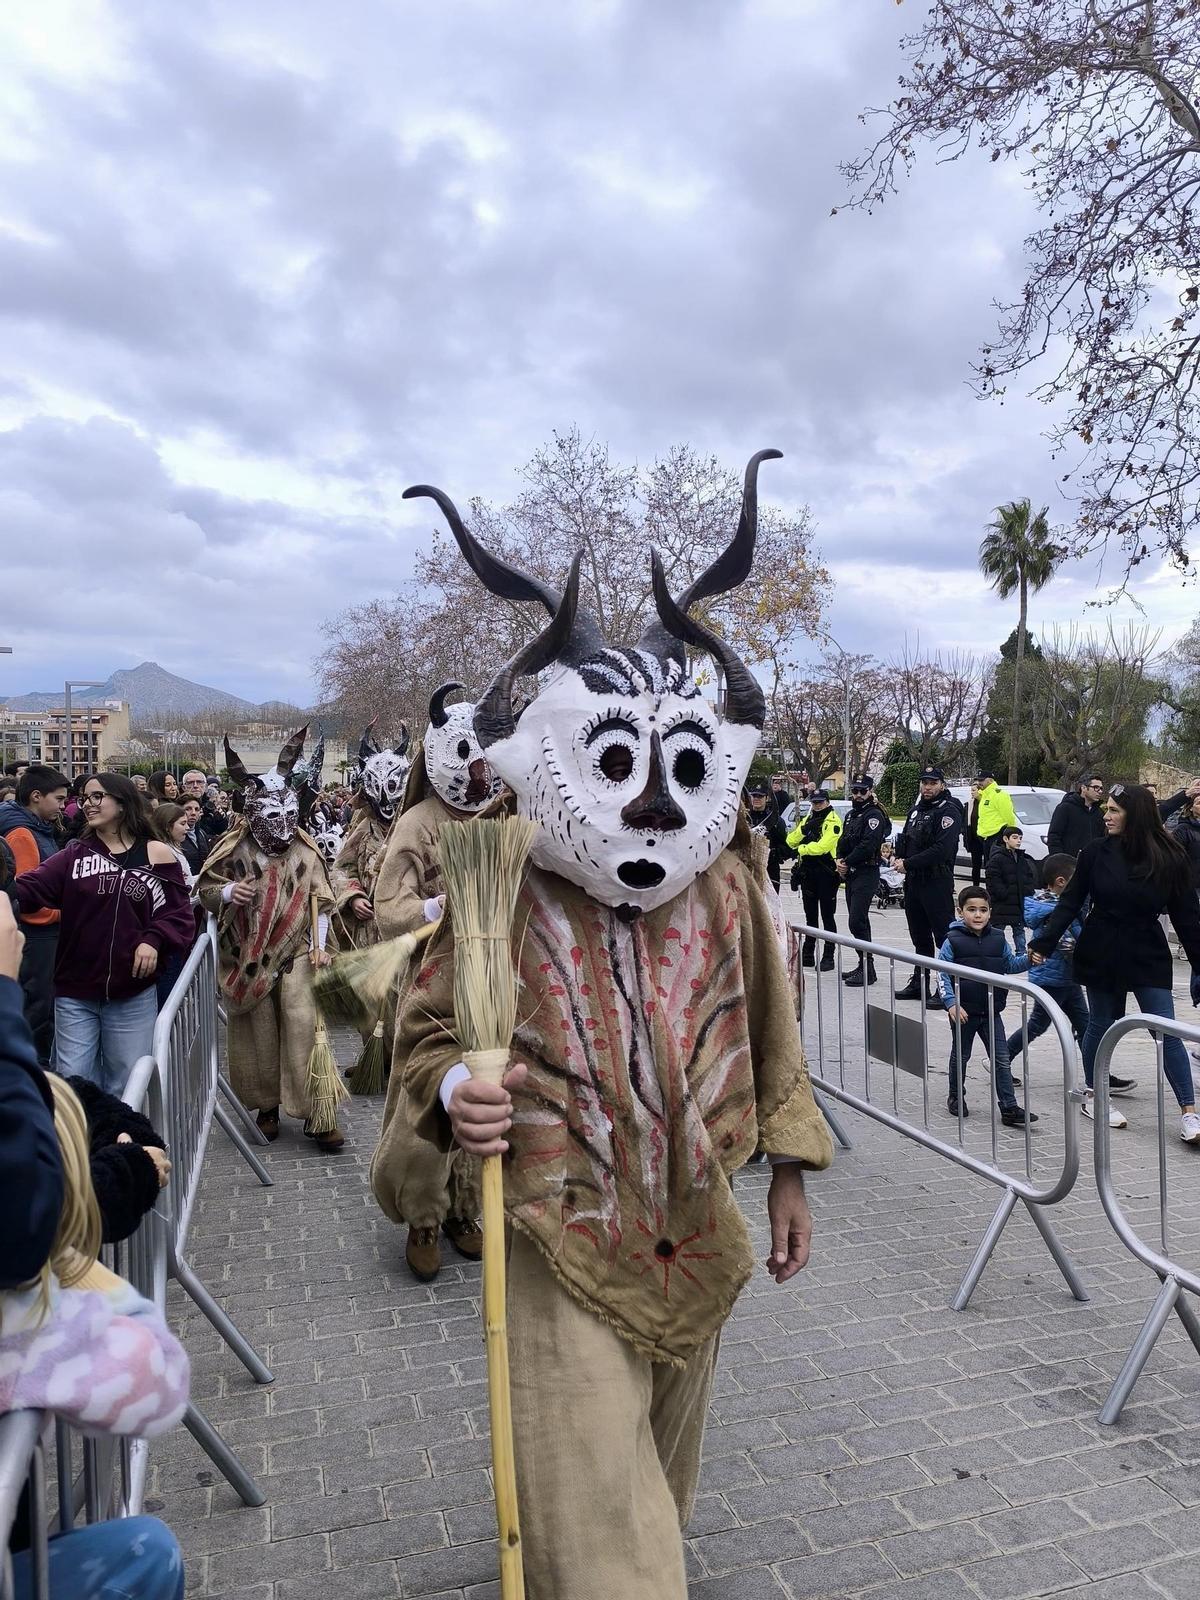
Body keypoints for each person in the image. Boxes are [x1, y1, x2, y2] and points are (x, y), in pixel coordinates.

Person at [394, 457, 832, 1600]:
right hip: (551, 1221)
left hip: (693, 1210)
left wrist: (790, 1172)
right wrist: (451, 1094)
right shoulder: (499, 882)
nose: (647, 803)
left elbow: (774, 1035)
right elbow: (426, 1028)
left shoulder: (726, 886)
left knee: (650, 1480)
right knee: (609, 1528)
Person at [1, 1070, 189, 1600]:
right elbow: (157, 1383)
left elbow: (70, 1093)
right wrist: (76, 1245)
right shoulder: (26, 1319)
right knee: (148, 1553)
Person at [371, 685, 499, 1282]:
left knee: (484, 1096)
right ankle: (423, 1215)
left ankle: (464, 1211)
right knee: (428, 1101)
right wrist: (437, 907)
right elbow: (387, 908)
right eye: (468, 757)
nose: (480, 773)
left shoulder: (504, 817)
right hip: (428, 987)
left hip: (493, 986)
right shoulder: (416, 825)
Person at [195, 730, 346, 1153]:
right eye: (270, 813)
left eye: (287, 812)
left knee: (303, 1023)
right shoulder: (232, 848)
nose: (280, 823)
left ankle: (320, 1111)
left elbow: (322, 899)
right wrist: (228, 893)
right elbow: (205, 889)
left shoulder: (306, 850)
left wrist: (319, 943)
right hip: (249, 957)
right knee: (258, 1033)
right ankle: (266, 1108)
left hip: (298, 950)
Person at [1030, 783, 1200, 1140]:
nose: (1105, 817)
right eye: (1105, 809)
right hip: (1102, 946)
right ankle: (1094, 1094)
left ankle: (1189, 1113)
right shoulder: (1095, 852)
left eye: (1114, 811)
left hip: (1147, 950)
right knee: (1101, 1025)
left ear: (1134, 815)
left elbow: (1187, 917)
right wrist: (1044, 941)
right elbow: (1070, 902)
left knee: (1166, 1029)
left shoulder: (1170, 854)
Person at [11, 773, 193, 1094]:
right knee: (74, 1082)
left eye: (97, 797)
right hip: (75, 991)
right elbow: (28, 889)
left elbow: (177, 915)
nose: (87, 805)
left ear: (122, 803)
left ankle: (124, 1143)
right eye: (83, 799)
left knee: (128, 1084)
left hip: (132, 993)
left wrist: (154, 939)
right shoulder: (75, 854)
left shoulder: (156, 854)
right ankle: (82, 1145)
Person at [937, 886, 1037, 1126]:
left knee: (1001, 1059)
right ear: (960, 911)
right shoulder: (952, 940)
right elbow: (942, 974)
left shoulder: (998, 938)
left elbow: (1010, 964)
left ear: (990, 913)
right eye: (972, 910)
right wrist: (951, 1003)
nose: (978, 915)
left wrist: (1029, 959)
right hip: (963, 1013)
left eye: (983, 910)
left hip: (992, 1011)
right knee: (961, 1056)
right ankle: (956, 1097)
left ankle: (1009, 1108)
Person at [0, 764, 69, 1064]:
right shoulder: (23, 834)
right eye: (59, 799)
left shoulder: (39, 829)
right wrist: (62, 914)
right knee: (38, 1012)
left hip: (43, 937)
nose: (63, 806)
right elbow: (26, 898)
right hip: (37, 938)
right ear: (37, 796)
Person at [1005, 853, 1090, 1084]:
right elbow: (1066, 943)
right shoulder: (1055, 910)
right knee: (1038, 1025)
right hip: (1051, 978)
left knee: (1086, 1026)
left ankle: (1099, 1075)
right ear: (1061, 882)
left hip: (1066, 978)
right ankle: (1000, 1060)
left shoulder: (1057, 905)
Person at [893, 766, 960, 1006]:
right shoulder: (916, 810)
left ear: (942, 784)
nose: (928, 787)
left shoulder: (948, 811)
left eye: (933, 783)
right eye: (924, 782)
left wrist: (908, 863)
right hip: (914, 882)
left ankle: (947, 988)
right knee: (919, 937)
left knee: (943, 937)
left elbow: (941, 850)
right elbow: (907, 839)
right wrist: (896, 855)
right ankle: (919, 982)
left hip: (936, 881)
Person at [836, 775, 891, 987]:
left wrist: (847, 861)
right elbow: (843, 840)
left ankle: (868, 966)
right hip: (852, 872)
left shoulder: (873, 815)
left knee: (856, 920)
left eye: (862, 791)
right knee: (858, 921)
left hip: (867, 871)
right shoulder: (852, 815)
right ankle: (865, 965)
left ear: (870, 791)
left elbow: (869, 844)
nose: (858, 795)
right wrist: (840, 859)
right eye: (855, 791)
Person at [786, 788, 841, 968]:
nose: (817, 806)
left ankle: (828, 955)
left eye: (820, 802)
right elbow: (791, 840)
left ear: (827, 802)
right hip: (809, 873)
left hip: (826, 873)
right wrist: (803, 830)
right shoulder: (809, 819)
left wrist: (801, 849)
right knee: (810, 917)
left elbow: (823, 847)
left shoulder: (833, 821)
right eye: (814, 802)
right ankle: (808, 952)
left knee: (827, 916)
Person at [985, 824, 1037, 955]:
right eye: (1015, 837)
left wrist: (1027, 892)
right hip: (1002, 903)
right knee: (998, 931)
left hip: (1017, 903)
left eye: (1020, 838)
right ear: (1005, 839)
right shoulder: (997, 858)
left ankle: (1021, 954)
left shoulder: (1021, 859)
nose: (1018, 840)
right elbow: (992, 878)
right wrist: (1003, 893)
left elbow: (1028, 877)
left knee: (1019, 931)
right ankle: (996, 953)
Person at [745, 784, 789, 893]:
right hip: (746, 868)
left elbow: (786, 846)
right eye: (754, 796)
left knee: (770, 907)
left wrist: (775, 853)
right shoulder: (743, 819)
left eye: (760, 796)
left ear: (766, 798)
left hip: (770, 868)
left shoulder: (776, 821)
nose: (756, 799)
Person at [1047, 775, 1105, 857]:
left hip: (1093, 863)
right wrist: (1060, 861)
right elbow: (1054, 837)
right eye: (1096, 787)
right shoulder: (1065, 808)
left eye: (1101, 788)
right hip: (1069, 864)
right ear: (1083, 788)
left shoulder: (1099, 813)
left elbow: (1102, 838)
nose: (1100, 791)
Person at [973, 770, 1019, 858]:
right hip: (986, 837)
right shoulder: (984, 795)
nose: (979, 783)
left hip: (997, 837)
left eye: (982, 780)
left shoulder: (999, 795)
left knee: (996, 867)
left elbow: (1008, 816)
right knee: (989, 866)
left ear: (990, 780)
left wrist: (1011, 833)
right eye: (978, 780)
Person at [180, 768, 228, 841]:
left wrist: (220, 820)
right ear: (184, 787)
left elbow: (222, 831)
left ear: (206, 787)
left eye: (199, 782)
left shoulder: (211, 806)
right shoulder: (178, 806)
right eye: (190, 783)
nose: (195, 786)